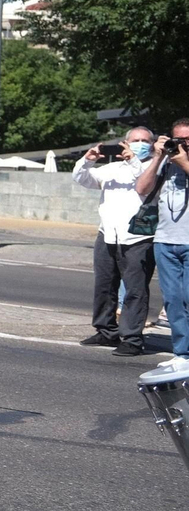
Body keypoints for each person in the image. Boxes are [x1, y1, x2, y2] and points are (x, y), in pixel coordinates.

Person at [75, 129, 156, 355]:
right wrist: (87, 160)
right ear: (124, 143)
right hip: (107, 233)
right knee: (104, 285)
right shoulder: (111, 169)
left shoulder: (154, 166)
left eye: (144, 141)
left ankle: (132, 338)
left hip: (138, 237)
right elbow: (82, 179)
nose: (139, 144)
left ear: (151, 144)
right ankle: (106, 330)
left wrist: (133, 159)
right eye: (134, 141)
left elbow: (144, 183)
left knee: (135, 290)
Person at [137, 121, 189, 359]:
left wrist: (184, 163)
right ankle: (182, 353)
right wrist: (158, 158)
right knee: (173, 301)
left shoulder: (182, 162)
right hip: (165, 240)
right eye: (178, 138)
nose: (182, 143)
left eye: (187, 139)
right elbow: (142, 188)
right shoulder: (166, 163)